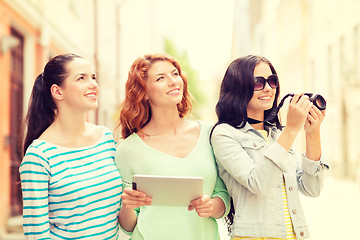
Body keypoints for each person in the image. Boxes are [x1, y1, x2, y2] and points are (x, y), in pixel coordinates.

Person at [210, 55, 328, 240]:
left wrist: (312, 134)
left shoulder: (277, 135)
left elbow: (311, 188)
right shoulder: (225, 134)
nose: (268, 88)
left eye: (272, 81)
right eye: (258, 82)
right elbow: (258, 183)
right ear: (238, 88)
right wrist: (290, 130)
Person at [114, 53, 230, 240]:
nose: (173, 81)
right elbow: (128, 227)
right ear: (143, 92)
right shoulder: (128, 150)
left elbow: (223, 196)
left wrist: (211, 207)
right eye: (160, 78)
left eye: (175, 74)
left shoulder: (210, 134)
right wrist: (128, 205)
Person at [20, 53, 122, 239]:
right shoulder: (39, 156)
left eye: (93, 77)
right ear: (58, 92)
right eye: (81, 78)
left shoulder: (106, 139)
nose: (93, 84)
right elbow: (37, 235)